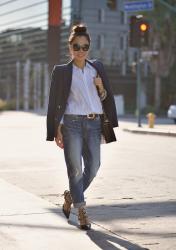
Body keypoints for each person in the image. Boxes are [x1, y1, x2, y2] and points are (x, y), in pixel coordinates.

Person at [46, 24, 118, 230]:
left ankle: (71, 195)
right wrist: (56, 128)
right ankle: (81, 210)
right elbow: (55, 102)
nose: (81, 50)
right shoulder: (61, 71)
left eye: (84, 47)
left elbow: (105, 97)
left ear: (89, 48)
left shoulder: (97, 68)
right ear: (69, 48)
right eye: (76, 46)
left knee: (94, 166)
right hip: (71, 123)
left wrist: (101, 87)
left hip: (95, 123)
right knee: (75, 169)